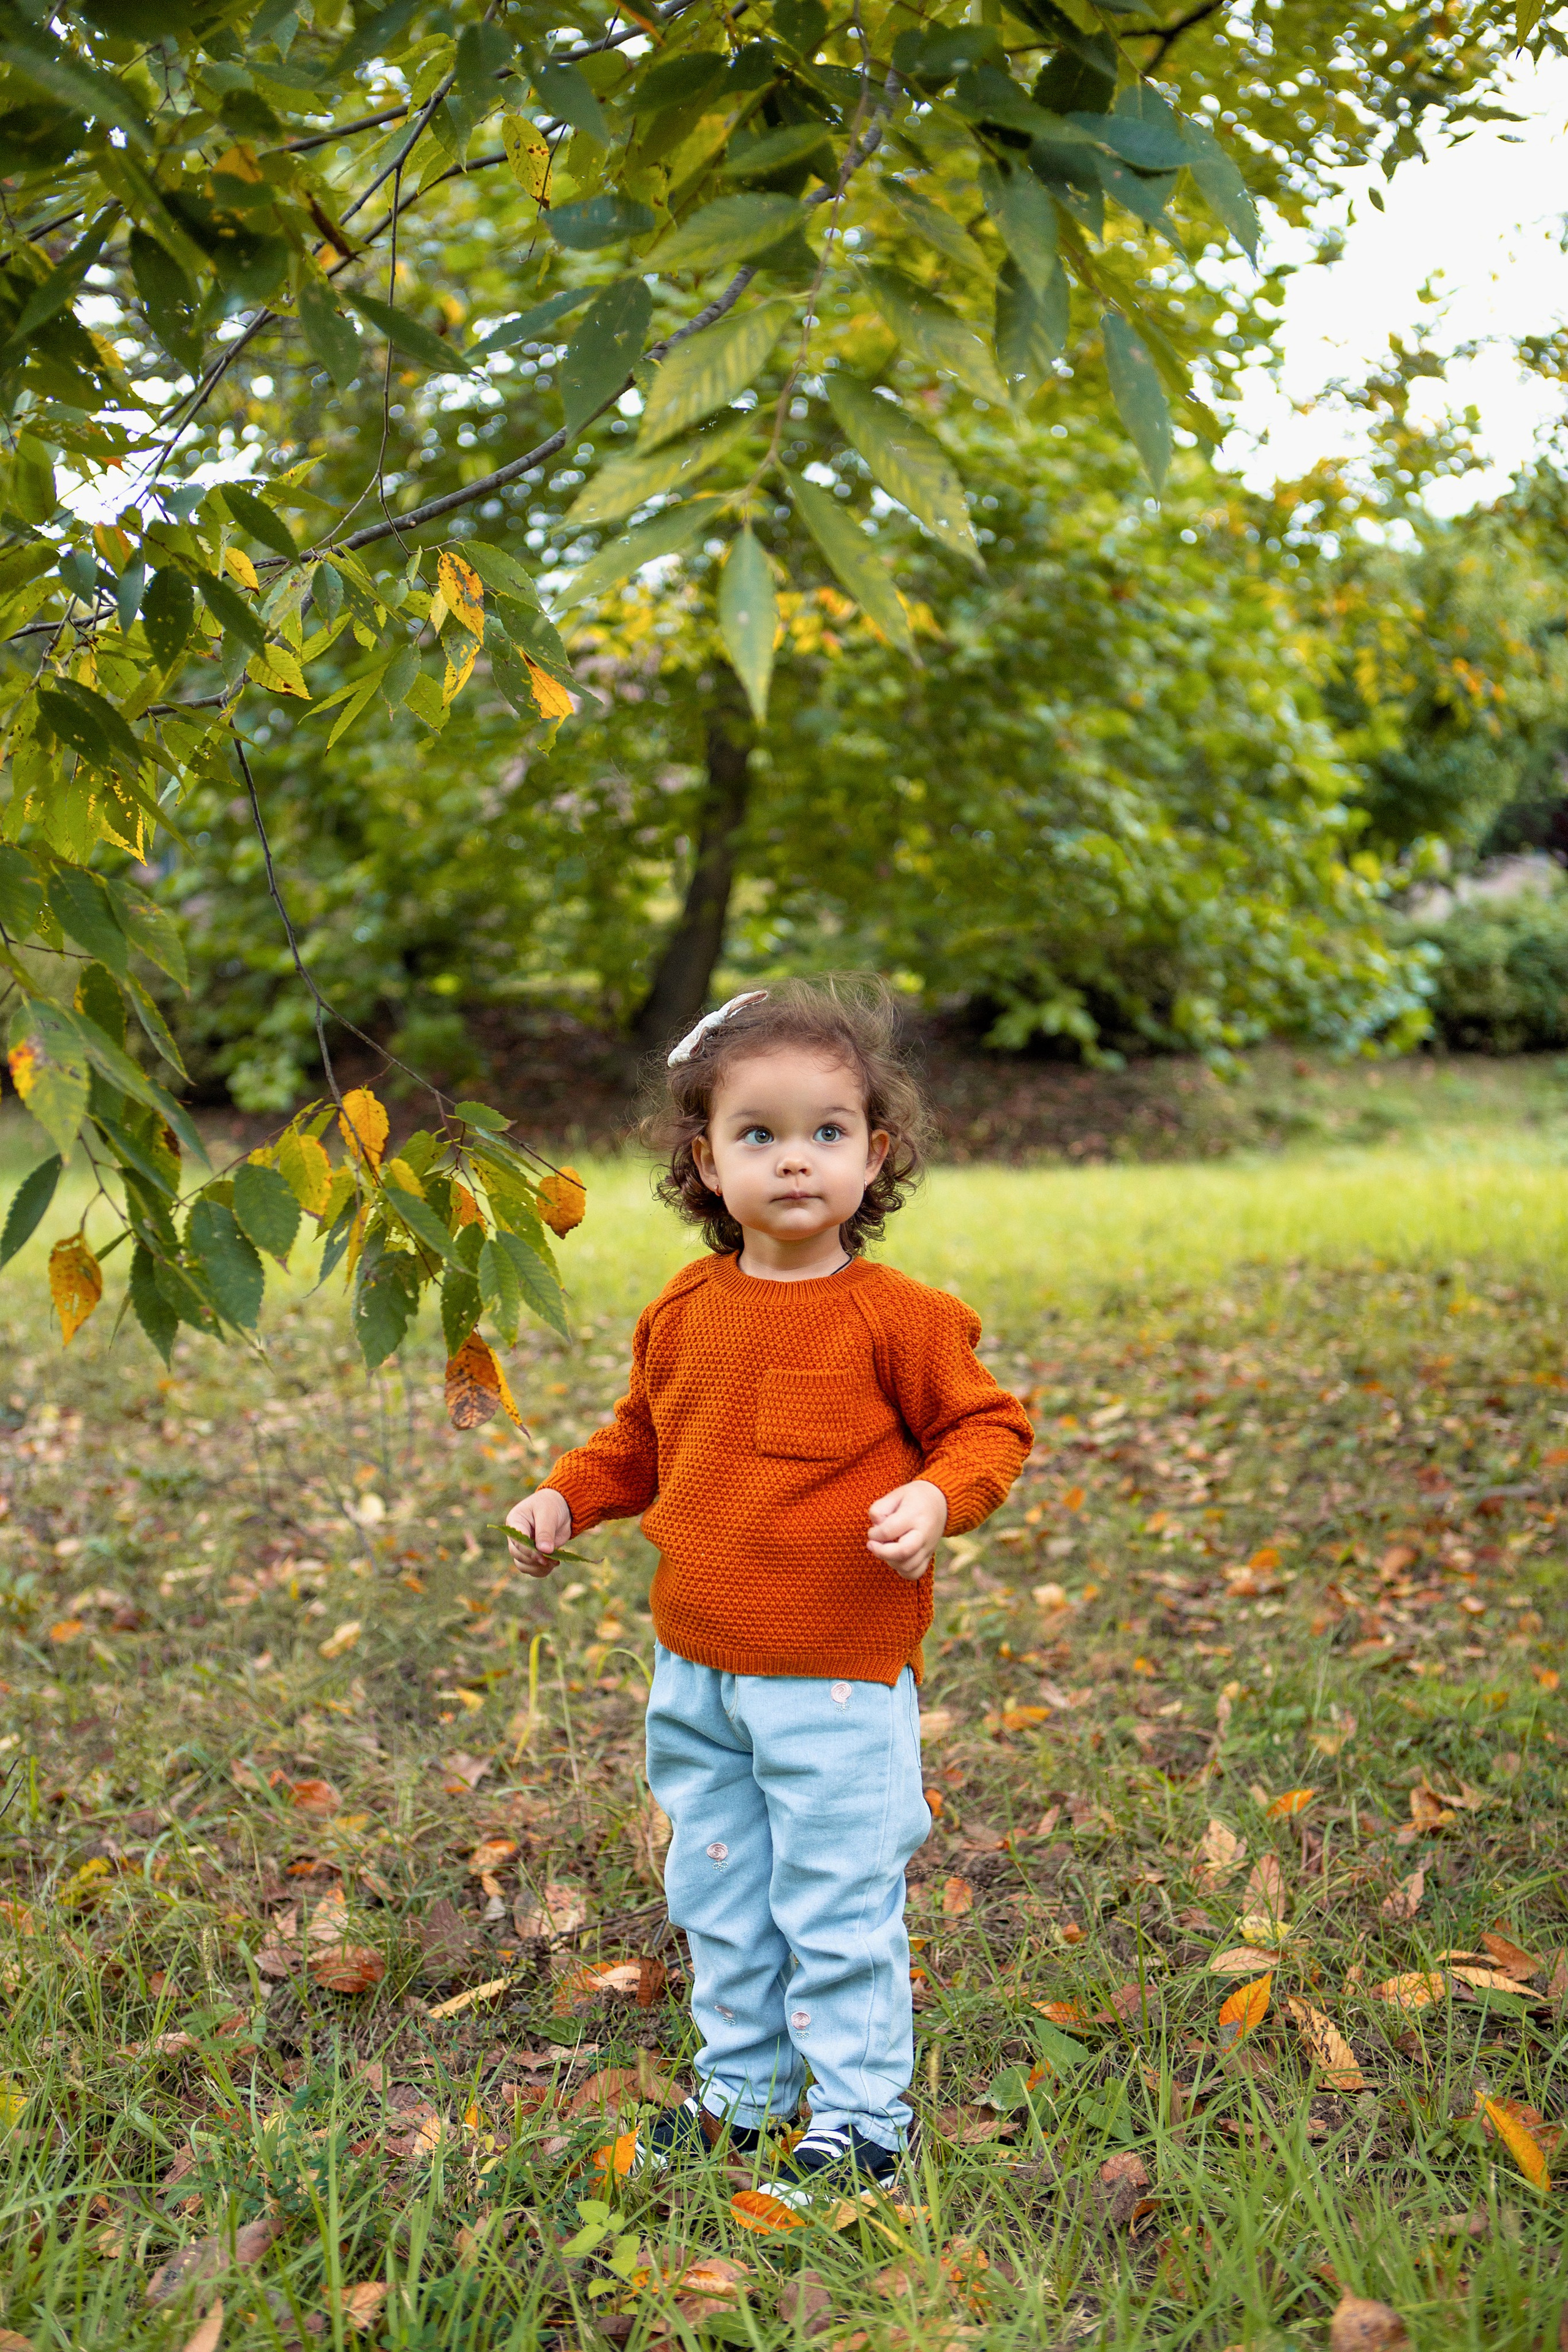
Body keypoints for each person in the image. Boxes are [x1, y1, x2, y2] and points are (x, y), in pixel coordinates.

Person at [502, 978, 1032, 2203]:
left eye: (825, 1133)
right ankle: (743, 2092)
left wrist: (941, 1497)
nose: (793, 1162)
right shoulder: (685, 1309)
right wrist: (564, 1500)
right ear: (704, 1158)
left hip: (836, 1679)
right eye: (758, 1134)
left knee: (835, 1904)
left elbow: (988, 1428)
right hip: (698, 1669)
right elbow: (638, 1439)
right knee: (721, 1889)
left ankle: (860, 2124)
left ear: (875, 1152)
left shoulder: (898, 1318)